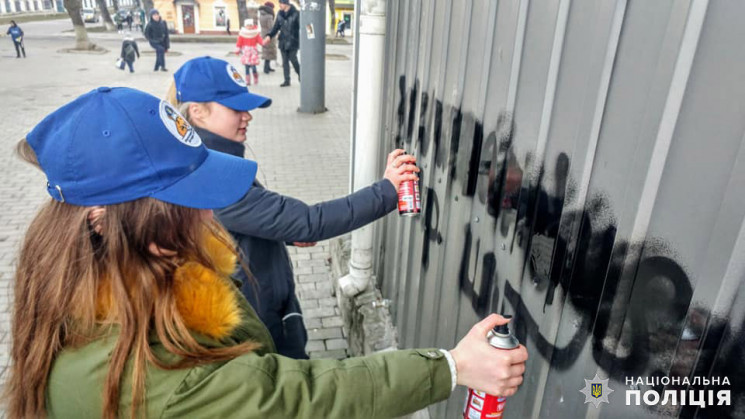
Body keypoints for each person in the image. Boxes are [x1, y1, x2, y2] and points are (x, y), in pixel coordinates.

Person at [7, 86, 528, 418]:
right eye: (190, 202)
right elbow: (298, 397)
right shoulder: (163, 380)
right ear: (110, 220)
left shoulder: (78, 289)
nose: (208, 217)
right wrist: (453, 367)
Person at [169, 56, 408, 359]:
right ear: (198, 112)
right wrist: (387, 191)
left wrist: (283, 233)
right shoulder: (207, 177)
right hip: (253, 322)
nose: (247, 116)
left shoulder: (205, 160)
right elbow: (308, 221)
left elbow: (239, 222)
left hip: (262, 305)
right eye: (235, 108)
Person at [264, 0, 299, 87]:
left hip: (293, 41)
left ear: (286, 4)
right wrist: (269, 35)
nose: (279, 5)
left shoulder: (296, 13)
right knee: (285, 62)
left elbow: (302, 26)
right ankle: (287, 80)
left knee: (293, 59)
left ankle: (301, 74)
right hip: (283, 41)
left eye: (281, 3)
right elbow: (276, 27)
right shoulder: (280, 13)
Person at [235, 19, 263, 85]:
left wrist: (264, 42)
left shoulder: (255, 33)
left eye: (250, 25)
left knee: (253, 67)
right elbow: (239, 43)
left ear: (252, 26)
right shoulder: (242, 34)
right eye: (248, 26)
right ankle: (248, 81)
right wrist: (237, 50)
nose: (249, 27)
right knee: (247, 67)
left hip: (253, 52)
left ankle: (255, 77)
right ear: (245, 26)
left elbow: (260, 41)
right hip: (246, 53)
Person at [258, 1, 277, 74]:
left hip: (263, 33)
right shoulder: (269, 16)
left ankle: (268, 67)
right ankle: (266, 68)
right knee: (269, 50)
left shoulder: (261, 14)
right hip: (269, 34)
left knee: (266, 50)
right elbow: (271, 27)